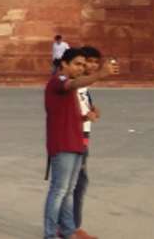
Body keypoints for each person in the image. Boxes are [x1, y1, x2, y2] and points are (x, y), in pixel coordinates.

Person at [44, 46, 115, 239]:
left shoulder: (72, 88)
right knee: (59, 191)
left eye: (82, 65)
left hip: (75, 141)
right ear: (64, 64)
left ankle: (68, 231)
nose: (80, 68)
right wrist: (100, 74)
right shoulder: (58, 81)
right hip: (63, 143)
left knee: (68, 192)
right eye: (77, 64)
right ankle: (50, 234)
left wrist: (87, 116)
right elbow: (70, 85)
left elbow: (70, 115)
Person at [73, 46, 103, 239]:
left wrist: (91, 109)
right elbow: (68, 114)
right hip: (76, 137)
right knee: (76, 183)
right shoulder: (74, 82)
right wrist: (86, 116)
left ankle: (68, 225)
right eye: (88, 62)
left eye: (95, 62)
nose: (92, 66)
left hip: (83, 136)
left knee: (77, 182)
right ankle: (71, 227)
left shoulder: (83, 86)